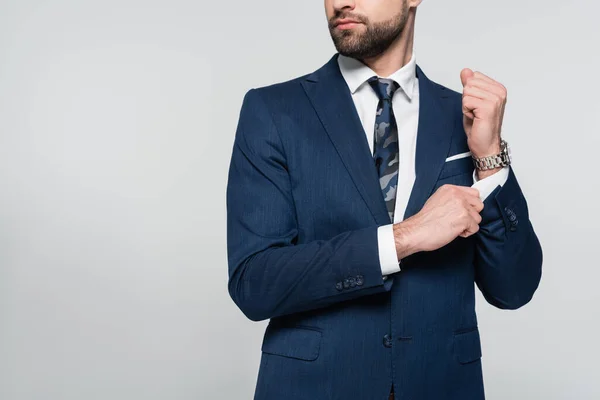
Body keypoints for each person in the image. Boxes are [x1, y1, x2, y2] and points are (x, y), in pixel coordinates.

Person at [225, 0, 543, 398]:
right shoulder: (273, 111)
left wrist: (490, 160)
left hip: (442, 385)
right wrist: (403, 237)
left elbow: (514, 289)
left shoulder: (460, 116)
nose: (340, 2)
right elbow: (255, 283)